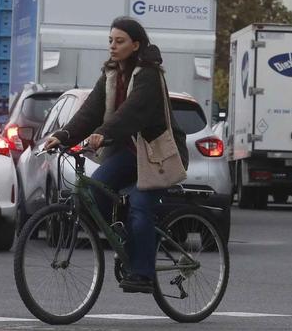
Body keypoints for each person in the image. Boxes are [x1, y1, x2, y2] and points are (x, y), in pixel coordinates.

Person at [44, 17, 188, 293]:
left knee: (140, 205)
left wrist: (105, 133)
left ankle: (144, 272)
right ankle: (128, 237)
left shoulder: (149, 75)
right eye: (110, 40)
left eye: (119, 41)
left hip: (156, 156)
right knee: (95, 194)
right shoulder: (111, 75)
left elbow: (131, 112)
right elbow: (89, 113)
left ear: (136, 45)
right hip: (128, 154)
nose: (112, 46)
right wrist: (62, 135)